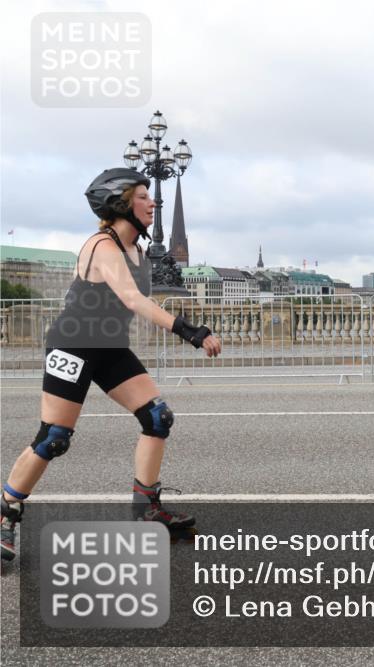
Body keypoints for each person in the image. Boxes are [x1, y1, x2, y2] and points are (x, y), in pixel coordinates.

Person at [0, 168, 222, 561]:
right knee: (54, 437)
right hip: (72, 346)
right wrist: (190, 330)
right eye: (142, 196)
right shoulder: (101, 246)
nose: (152, 202)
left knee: (158, 419)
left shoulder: (139, 251)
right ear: (119, 204)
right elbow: (134, 300)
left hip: (109, 347)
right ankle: (6, 515)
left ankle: (146, 511)